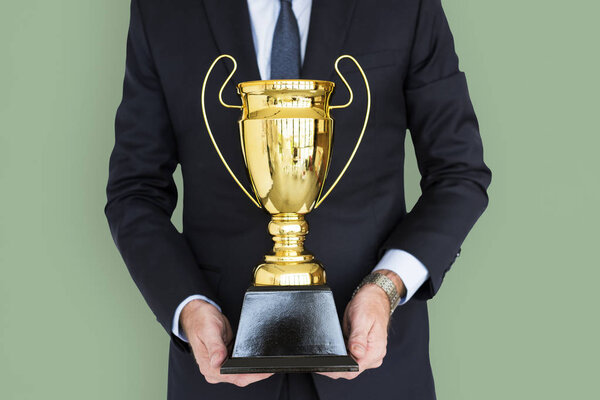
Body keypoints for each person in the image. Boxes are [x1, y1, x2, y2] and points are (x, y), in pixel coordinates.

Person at [104, 0, 491, 399]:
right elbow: (135, 191)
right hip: (221, 374)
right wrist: (189, 307)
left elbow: (459, 174)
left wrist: (387, 287)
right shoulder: (163, 11)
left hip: (377, 374)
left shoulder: (406, 6)